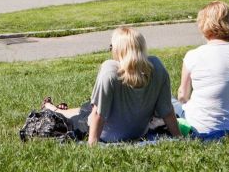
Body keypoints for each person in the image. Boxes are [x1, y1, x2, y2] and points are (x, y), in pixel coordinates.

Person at [43, 27, 182, 145]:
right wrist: (179, 138)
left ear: (118, 50)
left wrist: (92, 146)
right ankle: (55, 108)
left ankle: (52, 109)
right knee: (87, 107)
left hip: (107, 134)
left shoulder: (110, 71)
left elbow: (98, 114)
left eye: (111, 47)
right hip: (139, 132)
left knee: (83, 114)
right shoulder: (157, 67)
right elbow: (167, 111)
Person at [176, 1, 229, 133]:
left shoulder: (193, 55)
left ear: (203, 24)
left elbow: (183, 95)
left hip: (202, 126)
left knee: (170, 104)